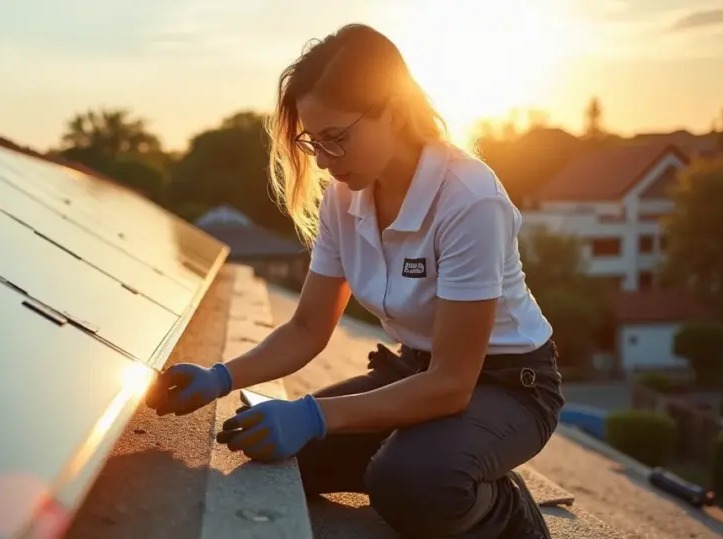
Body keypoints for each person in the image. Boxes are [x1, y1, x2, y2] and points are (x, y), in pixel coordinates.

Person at [144, 23, 565, 539]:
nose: (321, 160)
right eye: (313, 142)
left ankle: (505, 509)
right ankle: (433, 454)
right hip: (415, 372)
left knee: (411, 483)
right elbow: (306, 328)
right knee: (288, 457)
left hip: (507, 386)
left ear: (393, 109)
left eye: (336, 139)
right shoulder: (344, 198)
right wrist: (219, 378)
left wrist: (316, 414)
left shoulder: (469, 199)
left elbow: (454, 383)